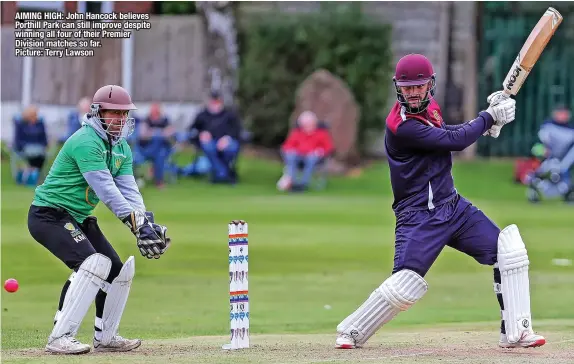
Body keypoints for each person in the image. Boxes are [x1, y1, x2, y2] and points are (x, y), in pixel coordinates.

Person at [335, 54, 545, 349]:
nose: (413, 93)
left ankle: (516, 332)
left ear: (429, 85)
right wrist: (487, 118)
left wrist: (483, 123)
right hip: (419, 215)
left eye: (419, 86)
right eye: (407, 88)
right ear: (398, 88)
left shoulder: (430, 108)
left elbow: (445, 133)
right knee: (405, 283)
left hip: (453, 207)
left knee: (508, 251)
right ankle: (352, 330)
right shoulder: (402, 125)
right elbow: (454, 142)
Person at [27, 85, 171, 355]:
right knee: (93, 264)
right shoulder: (85, 142)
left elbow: (129, 190)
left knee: (117, 270)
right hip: (49, 214)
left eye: (124, 113)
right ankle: (60, 337)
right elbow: (106, 189)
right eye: (113, 113)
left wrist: (146, 223)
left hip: (77, 217)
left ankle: (106, 336)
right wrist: (135, 224)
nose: (119, 119)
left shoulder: (122, 149)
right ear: (97, 113)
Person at [189, 91, 242, 183]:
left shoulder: (230, 115)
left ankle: (220, 173)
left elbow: (237, 130)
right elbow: (192, 129)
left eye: (217, 102)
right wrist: (201, 134)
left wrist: (227, 138)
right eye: (212, 102)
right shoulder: (202, 116)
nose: (214, 104)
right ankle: (225, 174)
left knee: (232, 148)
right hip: (210, 142)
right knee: (208, 147)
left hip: (228, 142)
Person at [277, 111, 334, 192]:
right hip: (298, 156)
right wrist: (291, 151)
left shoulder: (322, 134)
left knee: (311, 158)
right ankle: (292, 182)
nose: (307, 126)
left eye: (309, 123)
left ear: (314, 123)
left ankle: (303, 183)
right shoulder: (297, 133)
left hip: (314, 158)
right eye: (304, 124)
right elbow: (287, 146)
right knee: (291, 156)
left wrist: (320, 151)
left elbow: (329, 147)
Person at [135, 103, 176, 188]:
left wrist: (155, 132)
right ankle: (159, 181)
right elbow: (142, 135)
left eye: (156, 110)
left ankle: (156, 175)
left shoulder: (165, 121)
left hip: (162, 149)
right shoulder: (146, 121)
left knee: (160, 152)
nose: (154, 112)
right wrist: (158, 133)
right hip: (147, 149)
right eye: (153, 110)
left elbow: (170, 132)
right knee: (158, 147)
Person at [12, 105, 48, 185]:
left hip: (39, 148)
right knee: (33, 152)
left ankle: (33, 174)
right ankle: (34, 175)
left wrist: (43, 145)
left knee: (40, 154)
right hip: (25, 148)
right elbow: (18, 139)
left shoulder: (40, 124)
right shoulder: (21, 124)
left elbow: (44, 139)